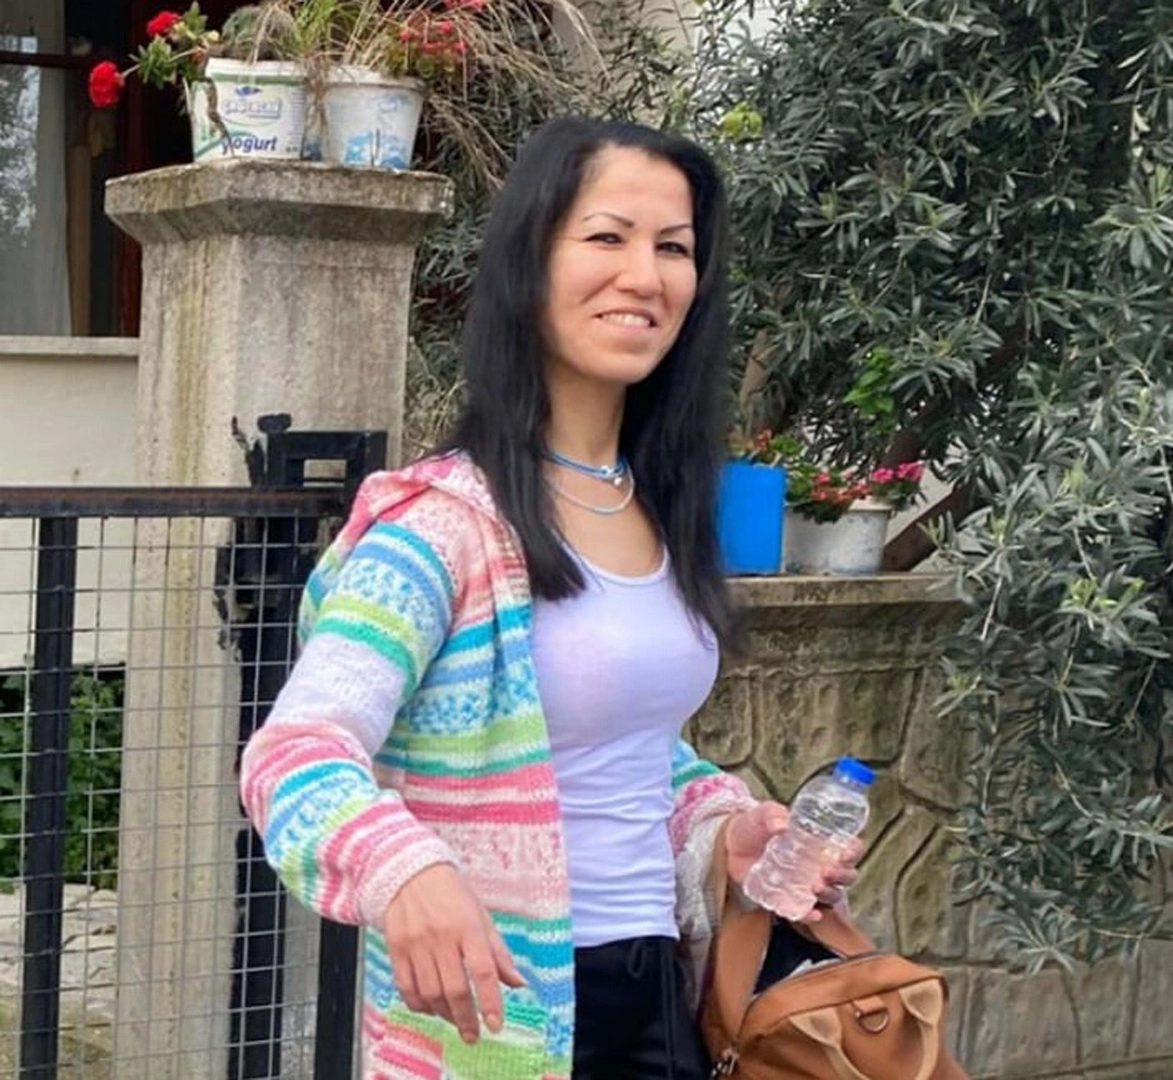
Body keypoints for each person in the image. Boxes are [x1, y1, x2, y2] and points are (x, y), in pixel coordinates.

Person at [239, 116, 861, 1080]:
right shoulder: (437, 528)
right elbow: (294, 755)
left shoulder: (661, 511)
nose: (644, 276)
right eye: (607, 237)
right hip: (499, 1016)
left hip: (658, 993)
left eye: (673, 248)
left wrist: (724, 834)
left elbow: (619, 756)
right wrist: (406, 869)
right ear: (530, 261)